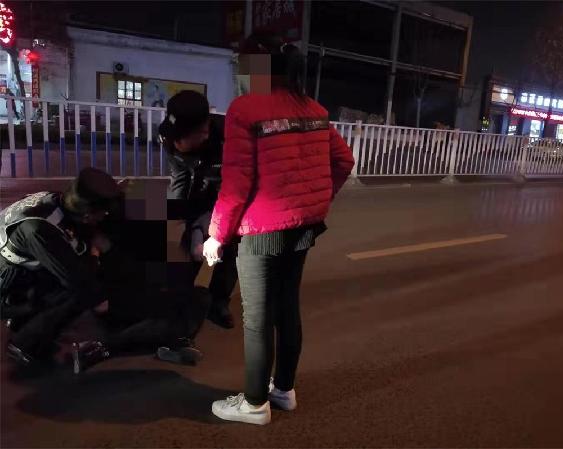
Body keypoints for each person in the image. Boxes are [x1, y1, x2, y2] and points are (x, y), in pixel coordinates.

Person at [204, 34, 355, 425]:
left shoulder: (245, 109)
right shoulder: (313, 108)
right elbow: (344, 160)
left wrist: (217, 235)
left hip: (261, 231)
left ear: (256, 67)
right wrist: (318, 198)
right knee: (287, 308)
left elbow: (236, 182)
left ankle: (255, 404)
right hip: (304, 226)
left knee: (257, 319)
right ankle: (283, 390)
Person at [70, 179, 209, 373]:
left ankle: (170, 340)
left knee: (188, 302)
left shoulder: (104, 225)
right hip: (120, 298)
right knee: (190, 304)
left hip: (126, 293)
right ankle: (103, 347)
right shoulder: (112, 231)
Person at [0, 167, 121, 367]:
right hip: (7, 282)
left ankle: (24, 316)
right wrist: (104, 302)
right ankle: (25, 343)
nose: (104, 216)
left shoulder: (59, 201)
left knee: (84, 268)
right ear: (87, 214)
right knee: (79, 291)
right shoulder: (40, 229)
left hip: (21, 268)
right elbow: (77, 280)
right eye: (102, 213)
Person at [161, 90, 238, 329]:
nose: (175, 144)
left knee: (229, 248)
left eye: (181, 139)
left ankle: (218, 302)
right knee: (188, 245)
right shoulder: (167, 135)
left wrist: (215, 230)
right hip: (201, 188)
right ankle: (181, 296)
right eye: (173, 138)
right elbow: (180, 175)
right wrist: (178, 214)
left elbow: (234, 190)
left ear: (203, 132)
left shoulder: (230, 138)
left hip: (231, 193)